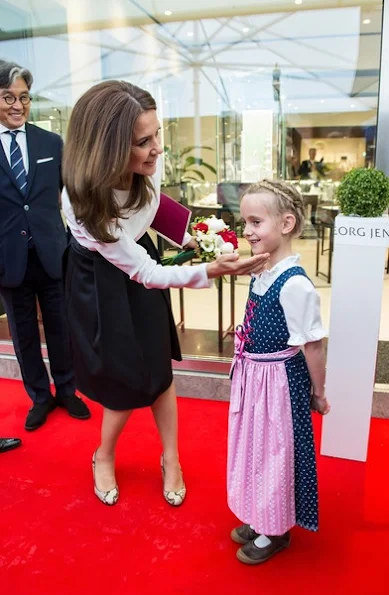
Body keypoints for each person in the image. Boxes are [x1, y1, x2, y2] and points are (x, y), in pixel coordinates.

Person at [61, 80, 269, 507]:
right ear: (110, 149)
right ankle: (103, 455)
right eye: (144, 141)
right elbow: (144, 271)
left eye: (158, 133)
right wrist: (209, 269)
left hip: (140, 263)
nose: (158, 148)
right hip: (101, 281)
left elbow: (155, 208)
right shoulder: (83, 202)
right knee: (120, 376)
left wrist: (197, 238)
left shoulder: (142, 170)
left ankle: (170, 457)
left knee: (158, 365)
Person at [227, 179, 330, 565]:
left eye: (256, 222)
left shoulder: (296, 285)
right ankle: (261, 514)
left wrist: (318, 393)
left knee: (276, 454)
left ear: (286, 223)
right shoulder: (263, 271)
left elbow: (313, 345)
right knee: (255, 447)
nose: (247, 231)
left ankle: (276, 529)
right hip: (256, 380)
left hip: (280, 385)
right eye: (245, 223)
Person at [0, 60, 90, 431]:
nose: (18, 105)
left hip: (54, 253)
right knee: (22, 333)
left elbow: (74, 194)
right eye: (8, 97)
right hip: (9, 259)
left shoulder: (51, 142)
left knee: (60, 327)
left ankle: (67, 390)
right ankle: (40, 396)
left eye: (24, 98)